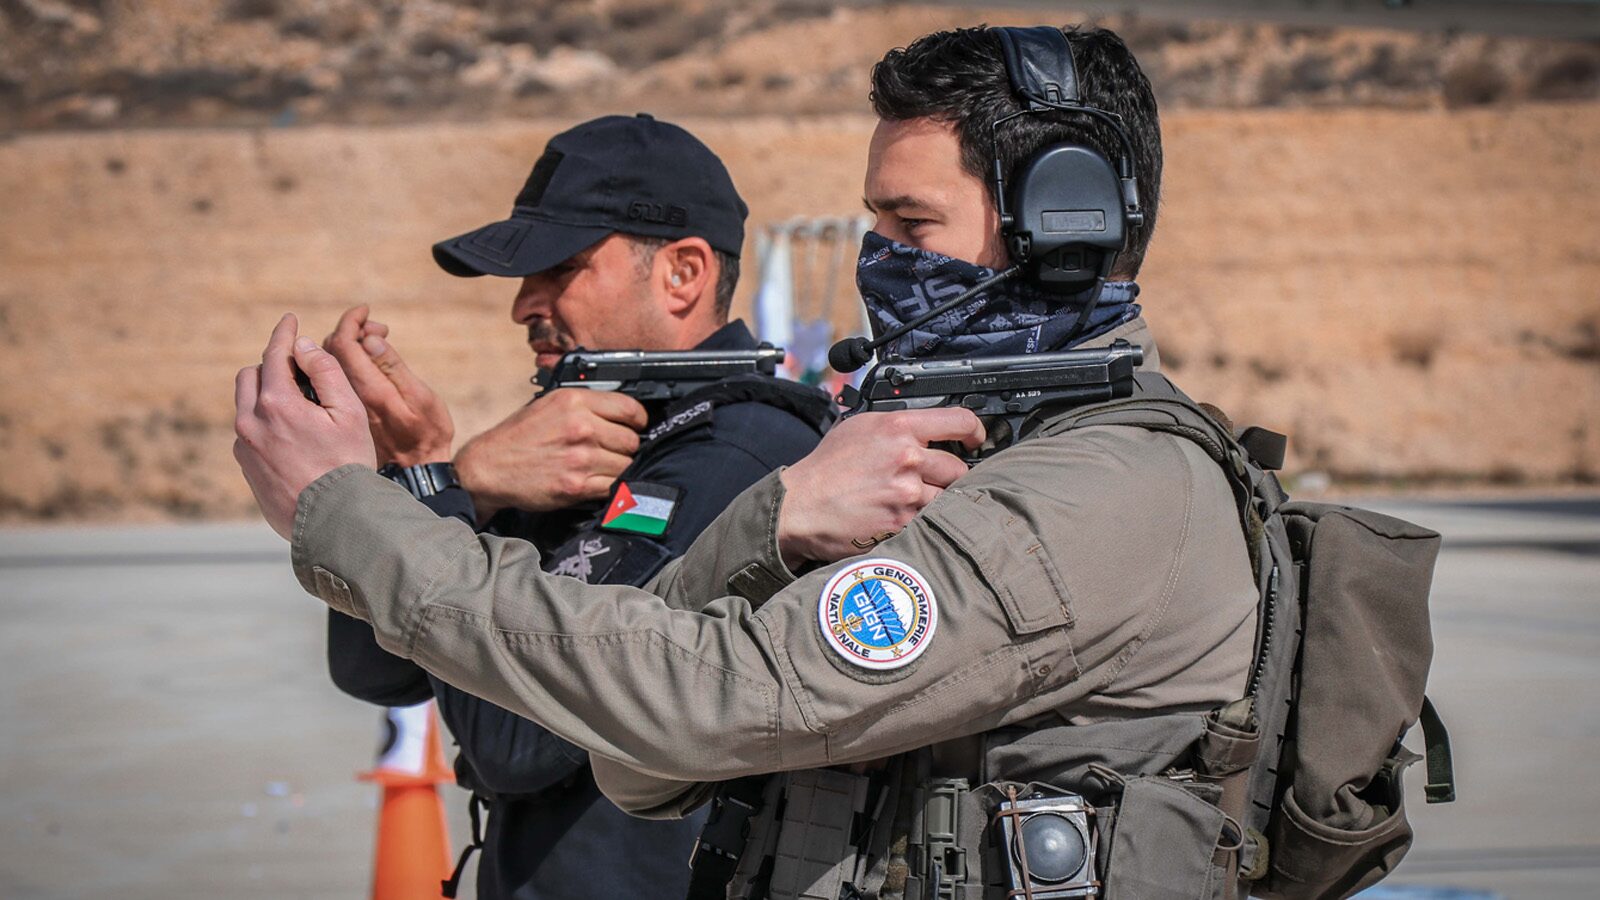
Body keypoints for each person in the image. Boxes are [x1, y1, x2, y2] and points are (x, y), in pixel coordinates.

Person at [235, 25, 1262, 899]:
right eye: (875, 223)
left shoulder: (1094, 491)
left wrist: (359, 508)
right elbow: (639, 757)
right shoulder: (963, 451)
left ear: (1066, 230)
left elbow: (691, 705)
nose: (877, 256)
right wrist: (767, 525)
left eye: (910, 224)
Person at [316, 113, 833, 899]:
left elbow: (515, 742)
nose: (523, 305)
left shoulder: (738, 449)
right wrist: (440, 487)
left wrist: (434, 485)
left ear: (683, 274)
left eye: (559, 268)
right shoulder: (588, 431)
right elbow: (374, 673)